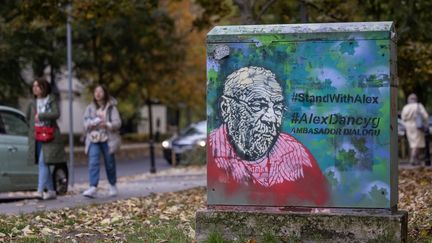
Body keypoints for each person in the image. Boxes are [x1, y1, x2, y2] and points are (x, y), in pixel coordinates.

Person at [208, 66, 329, 206]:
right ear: (226, 108)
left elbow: (324, 203)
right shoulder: (212, 152)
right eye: (258, 105)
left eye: (277, 108)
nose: (271, 118)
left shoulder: (296, 153)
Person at [27, 78, 66, 200]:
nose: (35, 88)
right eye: (33, 86)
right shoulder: (33, 102)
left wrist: (42, 116)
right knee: (43, 163)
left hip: (50, 136)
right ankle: (51, 191)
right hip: (37, 136)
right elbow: (28, 118)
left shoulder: (51, 99)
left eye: (37, 86)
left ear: (43, 88)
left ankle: (39, 191)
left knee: (43, 161)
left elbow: (56, 113)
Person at [82, 85, 121, 198]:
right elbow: (84, 123)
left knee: (109, 163)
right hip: (93, 139)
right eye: (96, 91)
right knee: (93, 162)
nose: (98, 93)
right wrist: (90, 124)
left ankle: (112, 185)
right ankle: (93, 187)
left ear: (105, 93)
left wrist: (107, 124)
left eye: (100, 91)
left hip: (107, 139)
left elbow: (117, 123)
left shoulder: (111, 108)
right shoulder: (90, 108)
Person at [401, 93, 429, 166]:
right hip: (417, 125)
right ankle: (413, 158)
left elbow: (403, 118)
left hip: (408, 126)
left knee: (412, 143)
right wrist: (425, 122)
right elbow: (425, 116)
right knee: (417, 143)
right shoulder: (418, 106)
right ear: (416, 99)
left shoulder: (405, 107)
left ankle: (417, 159)